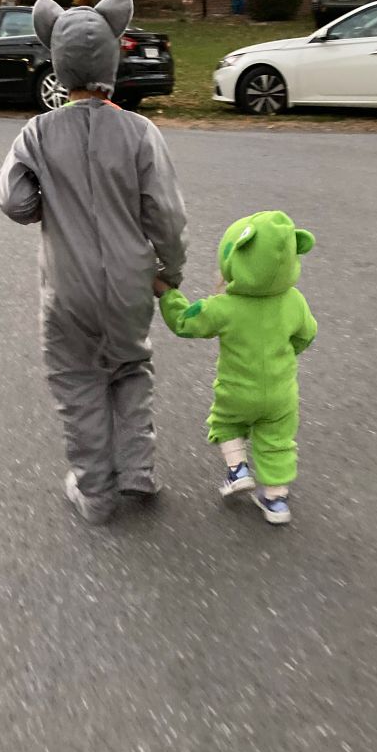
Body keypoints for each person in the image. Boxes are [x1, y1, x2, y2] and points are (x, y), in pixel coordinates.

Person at [0, 0, 187, 525]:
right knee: (130, 367)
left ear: (56, 62)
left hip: (67, 289)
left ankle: (96, 492)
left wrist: (41, 204)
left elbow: (12, 199)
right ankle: (138, 468)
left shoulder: (36, 134)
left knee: (77, 379)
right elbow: (166, 214)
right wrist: (168, 271)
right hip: (129, 283)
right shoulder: (140, 133)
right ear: (112, 59)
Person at [154, 211, 317, 525]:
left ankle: (238, 470)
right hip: (282, 393)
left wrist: (166, 293)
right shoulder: (294, 301)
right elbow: (307, 333)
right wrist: (287, 354)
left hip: (237, 391)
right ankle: (276, 500)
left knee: (226, 424)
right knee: (277, 440)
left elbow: (185, 321)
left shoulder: (224, 307)